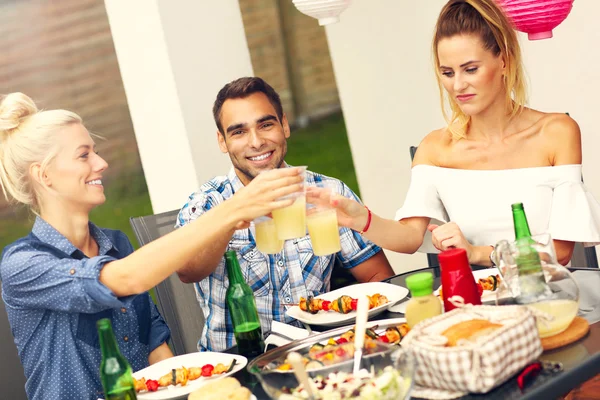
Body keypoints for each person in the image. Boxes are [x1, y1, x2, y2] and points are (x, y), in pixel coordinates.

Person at [0, 92, 303, 400]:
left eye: (96, 152)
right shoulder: (22, 264)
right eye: (84, 155)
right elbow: (126, 279)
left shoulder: (114, 244)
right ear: (43, 175)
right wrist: (231, 210)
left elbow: (154, 341)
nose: (101, 163)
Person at [308, 0, 600, 267]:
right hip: (476, 307)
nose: (458, 85)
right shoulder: (436, 148)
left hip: (554, 300)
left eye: (470, 69)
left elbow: (561, 251)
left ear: (505, 61)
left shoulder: (556, 133)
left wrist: (476, 252)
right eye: (447, 73)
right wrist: (361, 219)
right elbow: (410, 237)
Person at [175, 77, 394, 352]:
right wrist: (234, 215)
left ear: (285, 125)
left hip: (321, 350)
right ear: (222, 141)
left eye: (266, 125)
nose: (256, 142)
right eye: (239, 132)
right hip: (239, 364)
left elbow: (379, 278)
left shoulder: (326, 193)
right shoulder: (206, 204)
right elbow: (188, 271)